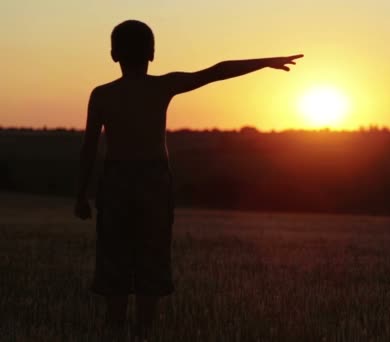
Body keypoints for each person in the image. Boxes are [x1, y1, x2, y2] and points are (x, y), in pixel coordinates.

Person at [73, 19, 303, 341]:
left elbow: (88, 149)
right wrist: (265, 62)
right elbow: (217, 71)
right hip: (154, 182)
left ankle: (114, 328)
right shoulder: (162, 85)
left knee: (115, 255)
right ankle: (145, 331)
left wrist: (81, 195)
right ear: (152, 53)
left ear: (113, 54)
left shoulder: (102, 95)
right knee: (152, 255)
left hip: (115, 182)